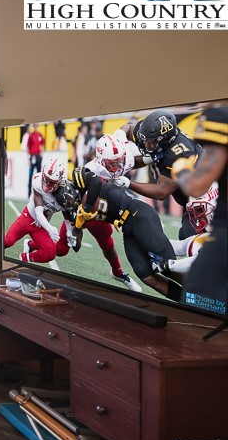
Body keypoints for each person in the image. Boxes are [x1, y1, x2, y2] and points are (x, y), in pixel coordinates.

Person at [66, 167, 178, 299]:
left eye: (71, 198)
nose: (72, 202)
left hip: (138, 214)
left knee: (168, 266)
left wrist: (84, 210)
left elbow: (95, 185)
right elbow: (77, 247)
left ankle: (201, 293)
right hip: (126, 227)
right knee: (145, 274)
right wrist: (76, 229)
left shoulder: (94, 190)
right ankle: (186, 300)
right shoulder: (80, 210)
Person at [172, 104, 228, 317]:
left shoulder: (221, 117)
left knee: (195, 306)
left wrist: (183, 170)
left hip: (224, 238)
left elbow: (197, 186)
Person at [128, 110, 214, 239]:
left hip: (204, 197)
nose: (146, 145)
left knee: (189, 236)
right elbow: (128, 129)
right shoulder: (148, 132)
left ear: (164, 140)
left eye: (151, 142)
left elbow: (161, 192)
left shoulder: (179, 154)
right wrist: (118, 137)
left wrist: (126, 183)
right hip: (190, 195)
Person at [4, 158, 65, 263]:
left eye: (51, 182)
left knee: (50, 253)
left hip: (40, 227)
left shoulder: (65, 194)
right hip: (28, 218)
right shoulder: (38, 181)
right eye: (46, 179)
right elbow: (38, 212)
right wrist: (49, 228)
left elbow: (68, 216)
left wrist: (71, 231)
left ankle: (25, 257)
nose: (46, 183)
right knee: (8, 241)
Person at [23, 123, 45, 197]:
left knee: (39, 176)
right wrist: (28, 158)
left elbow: (43, 144)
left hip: (38, 156)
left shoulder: (40, 135)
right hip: (32, 156)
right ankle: (29, 193)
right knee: (30, 175)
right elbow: (28, 147)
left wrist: (42, 153)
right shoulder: (31, 135)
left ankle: (39, 193)